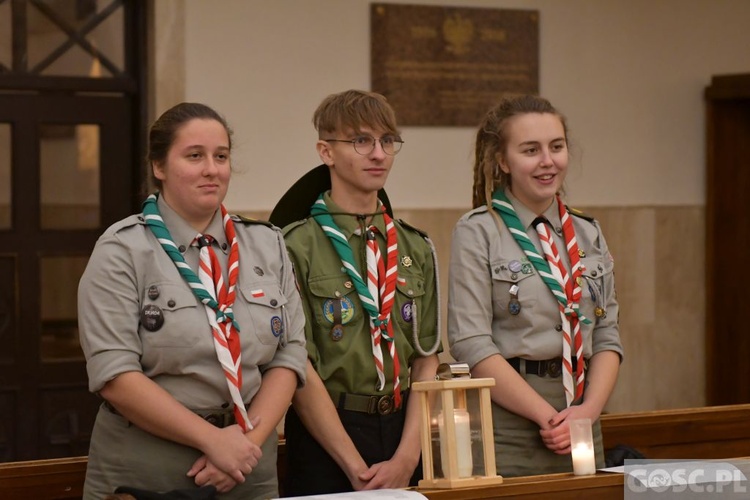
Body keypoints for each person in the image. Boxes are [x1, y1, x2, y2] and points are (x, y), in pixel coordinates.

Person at [78, 102, 307, 499]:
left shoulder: (267, 244)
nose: (211, 169)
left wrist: (242, 445)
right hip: (148, 471)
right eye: (194, 156)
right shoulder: (123, 250)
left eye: (221, 156)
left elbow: (289, 355)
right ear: (159, 167)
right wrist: (213, 442)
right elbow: (114, 374)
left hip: (247, 469)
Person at [270, 90, 441, 495]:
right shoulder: (294, 246)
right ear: (325, 152)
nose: (378, 153)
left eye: (387, 141)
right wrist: (354, 467)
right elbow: (298, 367)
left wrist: (408, 456)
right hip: (327, 434)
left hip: (403, 429)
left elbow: (426, 359)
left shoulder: (415, 247)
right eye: (361, 141)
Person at [447, 94, 623, 477]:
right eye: (531, 150)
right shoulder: (478, 232)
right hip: (511, 421)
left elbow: (607, 335)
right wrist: (548, 417)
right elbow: (471, 343)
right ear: (502, 161)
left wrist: (587, 412)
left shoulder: (587, 232)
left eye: (556, 147)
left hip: (581, 412)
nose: (548, 160)